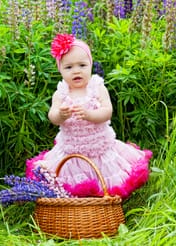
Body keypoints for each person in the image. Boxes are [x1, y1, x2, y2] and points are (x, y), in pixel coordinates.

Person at [26, 33, 152, 199]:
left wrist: (90, 114)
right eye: (69, 67)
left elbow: (107, 112)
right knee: (68, 184)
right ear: (60, 70)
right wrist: (61, 115)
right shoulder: (61, 93)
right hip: (70, 152)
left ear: (90, 66)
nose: (76, 71)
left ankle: (102, 204)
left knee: (105, 181)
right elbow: (52, 116)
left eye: (82, 65)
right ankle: (80, 208)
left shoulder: (97, 88)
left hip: (99, 148)